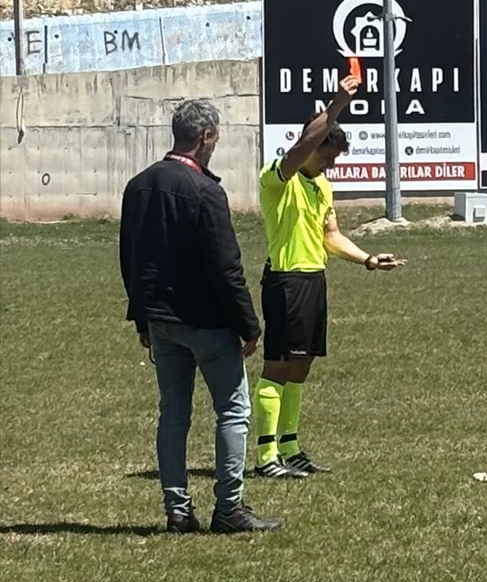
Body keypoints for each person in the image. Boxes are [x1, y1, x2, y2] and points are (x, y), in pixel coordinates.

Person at [120, 100, 281, 534]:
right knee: (232, 410)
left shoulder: (138, 185)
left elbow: (129, 258)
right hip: (207, 322)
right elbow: (226, 267)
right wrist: (249, 325)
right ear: (206, 136)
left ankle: (177, 509)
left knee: (173, 413)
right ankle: (229, 507)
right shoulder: (206, 191)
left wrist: (142, 319)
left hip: (161, 321)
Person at [251, 74, 404, 479]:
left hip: (314, 281)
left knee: (301, 367)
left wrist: (368, 260)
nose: (331, 164)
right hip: (286, 281)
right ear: (312, 145)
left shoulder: (323, 186)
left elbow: (330, 236)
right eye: (327, 156)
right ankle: (266, 458)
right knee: (278, 368)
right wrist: (337, 104)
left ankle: (289, 447)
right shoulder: (278, 177)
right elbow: (301, 148)